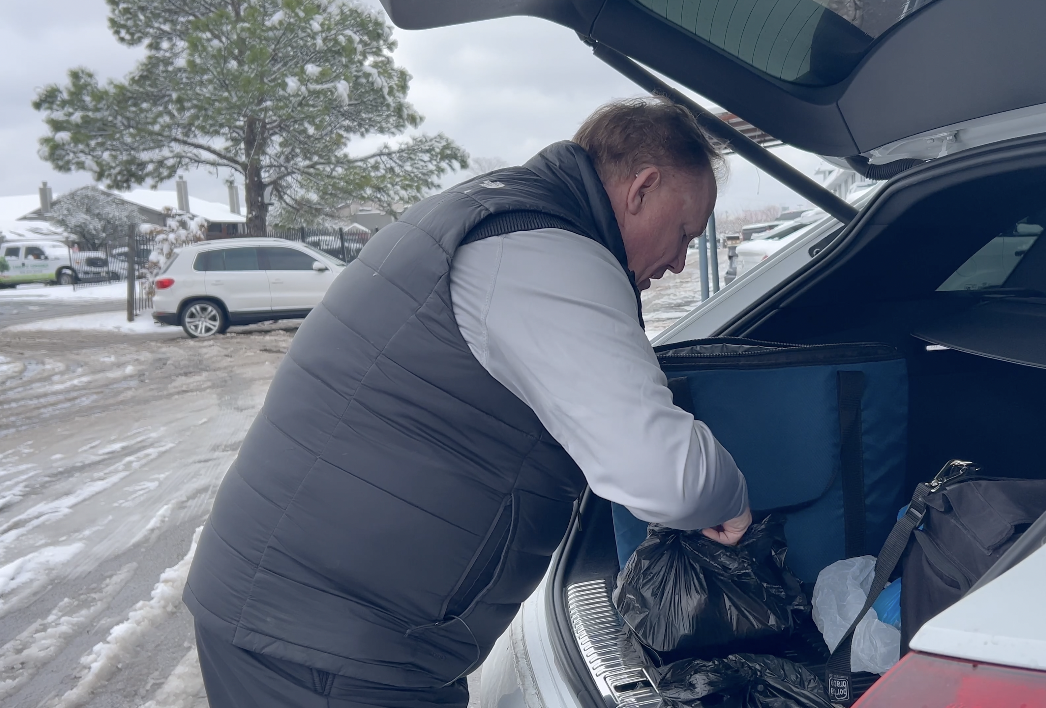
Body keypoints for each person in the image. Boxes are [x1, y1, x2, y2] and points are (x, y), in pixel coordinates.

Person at [184, 97, 752, 707]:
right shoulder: (544, 255)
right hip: (329, 646)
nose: (679, 263)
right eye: (684, 233)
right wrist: (732, 501)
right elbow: (668, 477)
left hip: (310, 621)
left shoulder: (493, 215)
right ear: (642, 188)